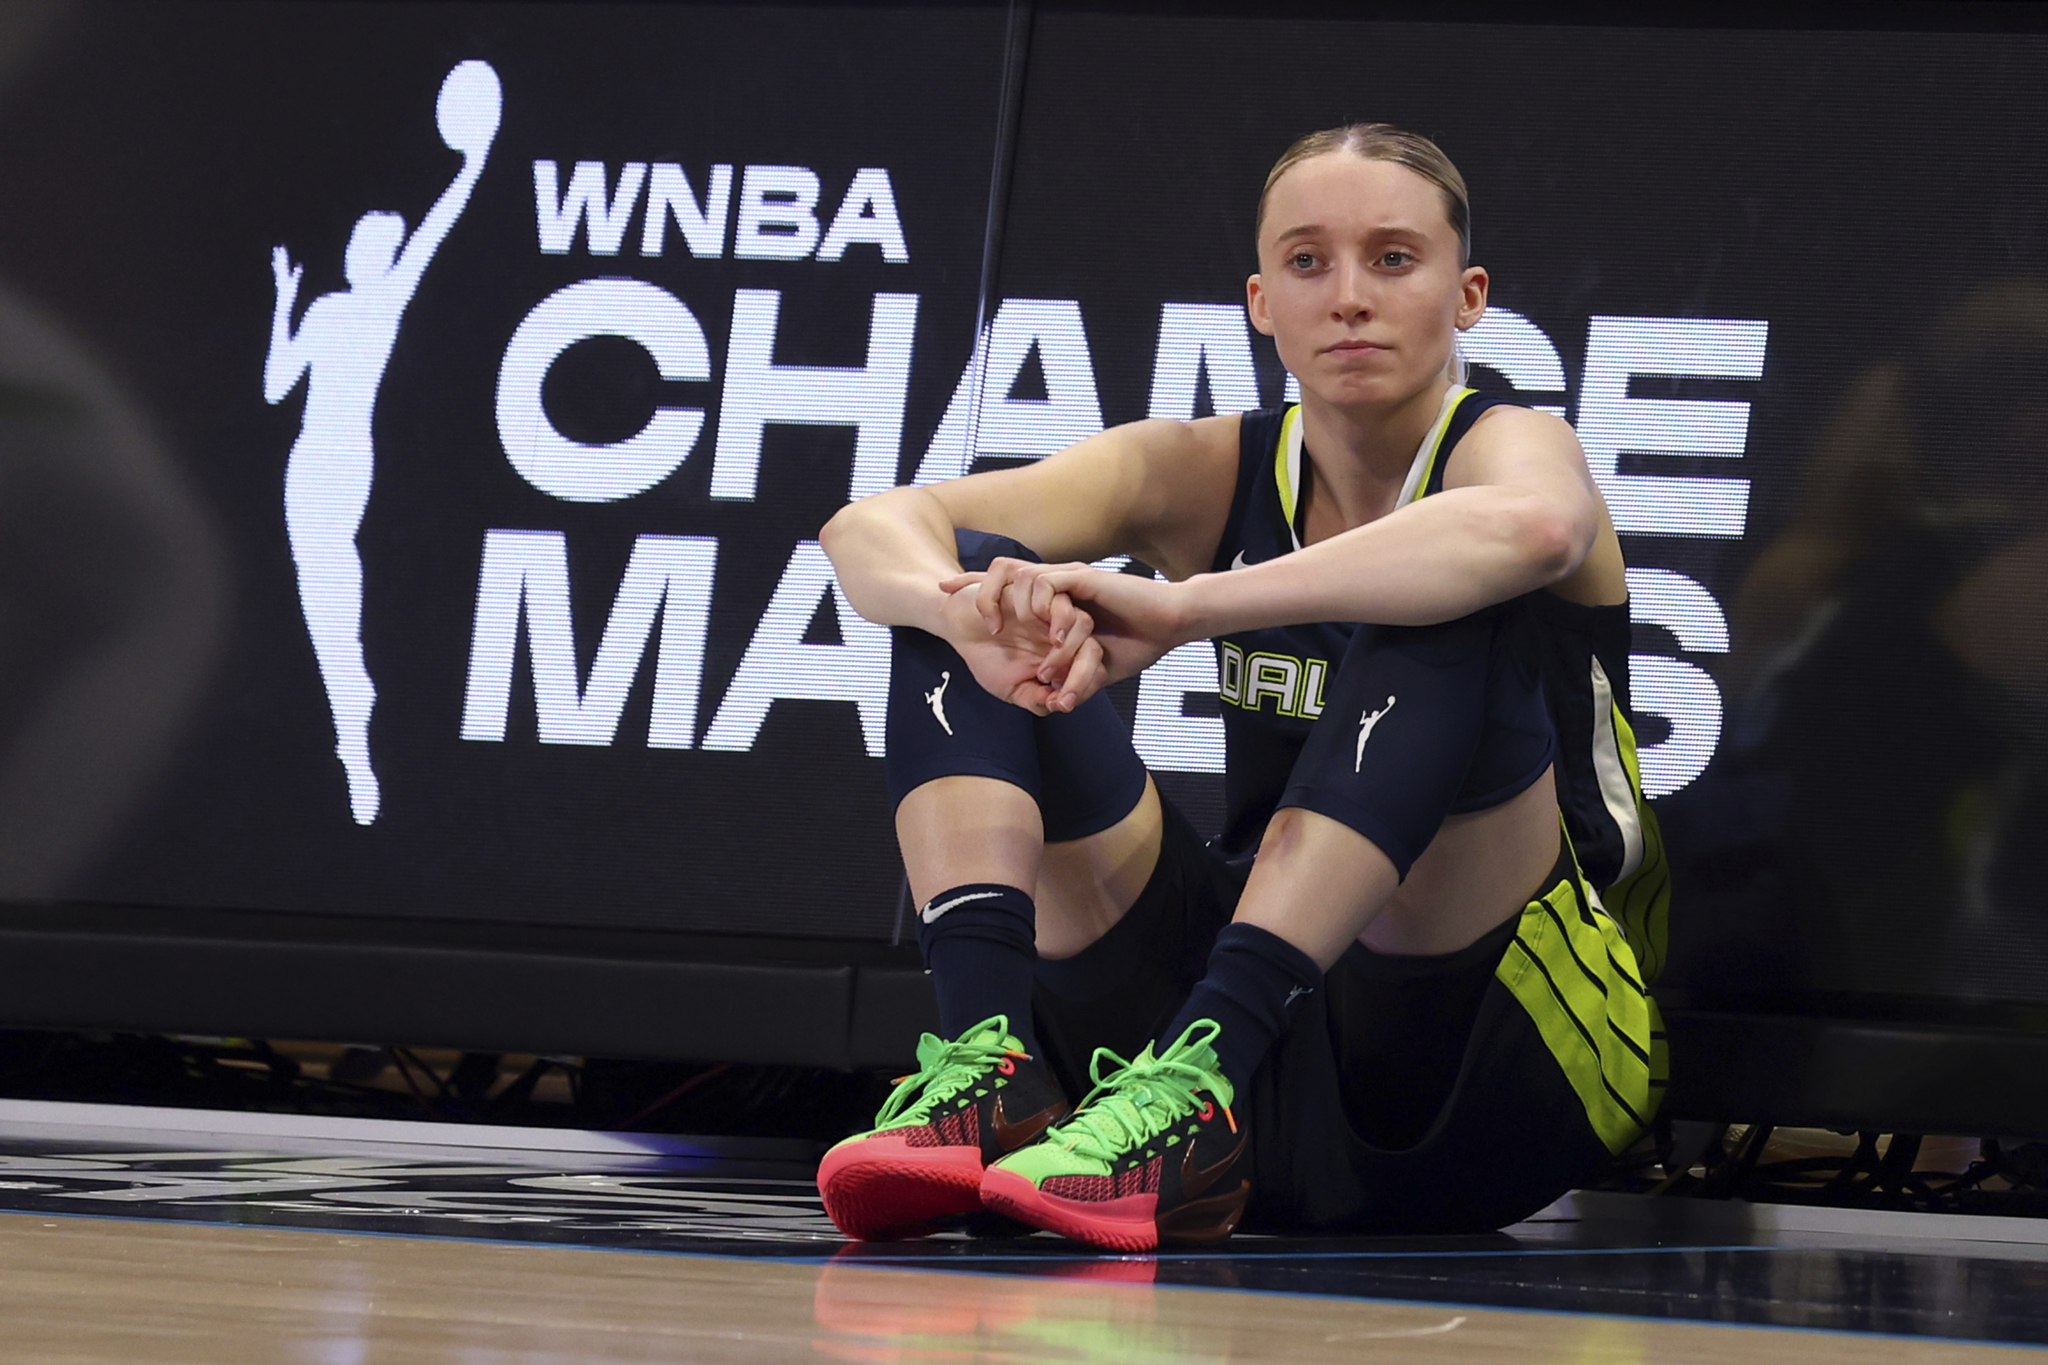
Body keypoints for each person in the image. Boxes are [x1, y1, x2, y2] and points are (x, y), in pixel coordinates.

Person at [817, 124, 1666, 1249]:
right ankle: (989, 1076)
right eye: (1308, 263)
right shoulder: (1203, 464)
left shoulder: (1515, 445)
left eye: (1393, 260)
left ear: (1467, 298)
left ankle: (1206, 1068)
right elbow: (868, 526)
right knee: (974, 583)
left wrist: (1185, 608)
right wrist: (957, 607)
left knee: (1453, 595)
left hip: (1496, 1058)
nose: (1348, 297)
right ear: (1261, 302)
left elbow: (1533, 527)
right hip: (1189, 1066)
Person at [265, 59, 500, 825]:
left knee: (333, 584)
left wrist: (475, 165)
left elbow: (436, 229)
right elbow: (273, 388)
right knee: (321, 589)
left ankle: (351, 714)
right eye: (375, 242)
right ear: (356, 252)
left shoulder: (382, 305)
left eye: (388, 245)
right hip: (308, 464)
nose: (383, 250)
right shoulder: (330, 310)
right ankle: (350, 714)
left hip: (343, 464)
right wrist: (282, 304)